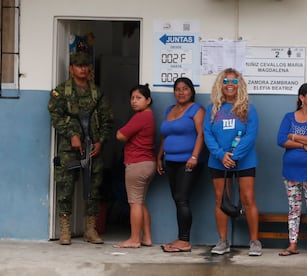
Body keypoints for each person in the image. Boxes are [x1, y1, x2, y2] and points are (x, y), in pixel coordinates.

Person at [48, 52, 114, 245]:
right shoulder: (61, 92)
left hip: (93, 149)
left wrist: (100, 141)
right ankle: (65, 230)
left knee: (93, 189)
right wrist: (71, 135)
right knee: (65, 187)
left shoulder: (96, 93)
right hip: (70, 150)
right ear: (71, 69)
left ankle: (90, 229)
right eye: (78, 65)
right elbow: (56, 116)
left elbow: (107, 120)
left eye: (86, 65)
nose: (83, 68)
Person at [203, 68, 262, 256]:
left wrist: (234, 156)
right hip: (219, 161)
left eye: (234, 82)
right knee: (221, 200)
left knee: (248, 198)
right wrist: (222, 155)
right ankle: (222, 241)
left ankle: (254, 241)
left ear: (240, 85)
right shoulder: (212, 108)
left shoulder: (248, 108)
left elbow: (251, 135)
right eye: (226, 81)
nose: (230, 85)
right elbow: (207, 134)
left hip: (244, 161)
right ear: (221, 84)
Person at [276, 83, 307, 257]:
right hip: (290, 171)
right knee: (294, 209)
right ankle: (292, 245)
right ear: (301, 97)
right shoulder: (289, 117)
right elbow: (281, 139)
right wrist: (304, 146)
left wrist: (293, 136)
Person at [157, 77, 206, 253]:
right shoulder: (170, 110)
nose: (181, 92)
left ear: (191, 91)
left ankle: (185, 241)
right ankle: (180, 238)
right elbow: (164, 136)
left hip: (189, 162)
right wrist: (159, 156)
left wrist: (194, 156)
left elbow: (201, 135)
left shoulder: (196, 109)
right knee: (178, 199)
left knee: (182, 199)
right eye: (177, 89)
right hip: (170, 161)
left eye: (185, 88)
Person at [113, 84, 156, 248]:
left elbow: (120, 135)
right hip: (148, 163)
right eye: (132, 98)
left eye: (138, 98)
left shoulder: (141, 116)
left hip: (137, 164)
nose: (134, 101)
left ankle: (134, 239)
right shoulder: (149, 116)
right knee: (141, 201)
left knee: (134, 203)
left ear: (148, 100)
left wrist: (123, 135)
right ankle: (147, 238)